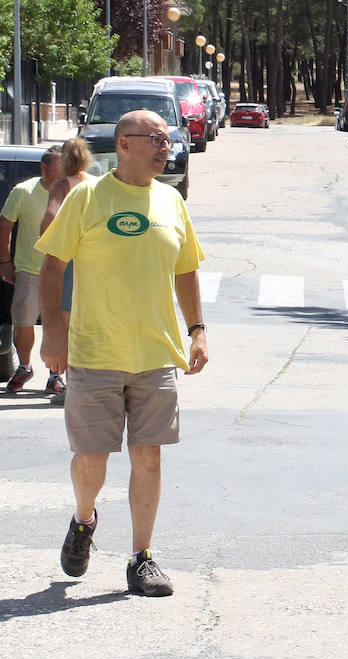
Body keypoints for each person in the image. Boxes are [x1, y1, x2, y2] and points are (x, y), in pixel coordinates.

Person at [36, 110, 208, 597]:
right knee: (91, 460)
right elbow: (53, 265)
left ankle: (142, 558)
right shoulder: (87, 196)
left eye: (168, 139)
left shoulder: (172, 200)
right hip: (94, 352)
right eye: (156, 139)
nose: (166, 147)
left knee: (148, 457)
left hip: (155, 354)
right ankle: (84, 519)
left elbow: (186, 269)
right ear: (125, 144)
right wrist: (53, 333)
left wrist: (197, 330)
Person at [0, 146, 66, 394]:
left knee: (57, 324)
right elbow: (5, 225)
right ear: (44, 168)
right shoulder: (23, 191)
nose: (62, 173)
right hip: (29, 269)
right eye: (58, 167)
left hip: (63, 271)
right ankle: (25, 366)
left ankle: (56, 374)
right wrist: (5, 261)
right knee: (23, 321)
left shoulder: (73, 192)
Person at [39, 138, 97, 406]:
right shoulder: (95, 183)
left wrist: (48, 240)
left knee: (67, 325)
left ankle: (73, 387)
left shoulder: (61, 185)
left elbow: (51, 217)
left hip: (67, 260)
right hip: (92, 262)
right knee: (86, 323)